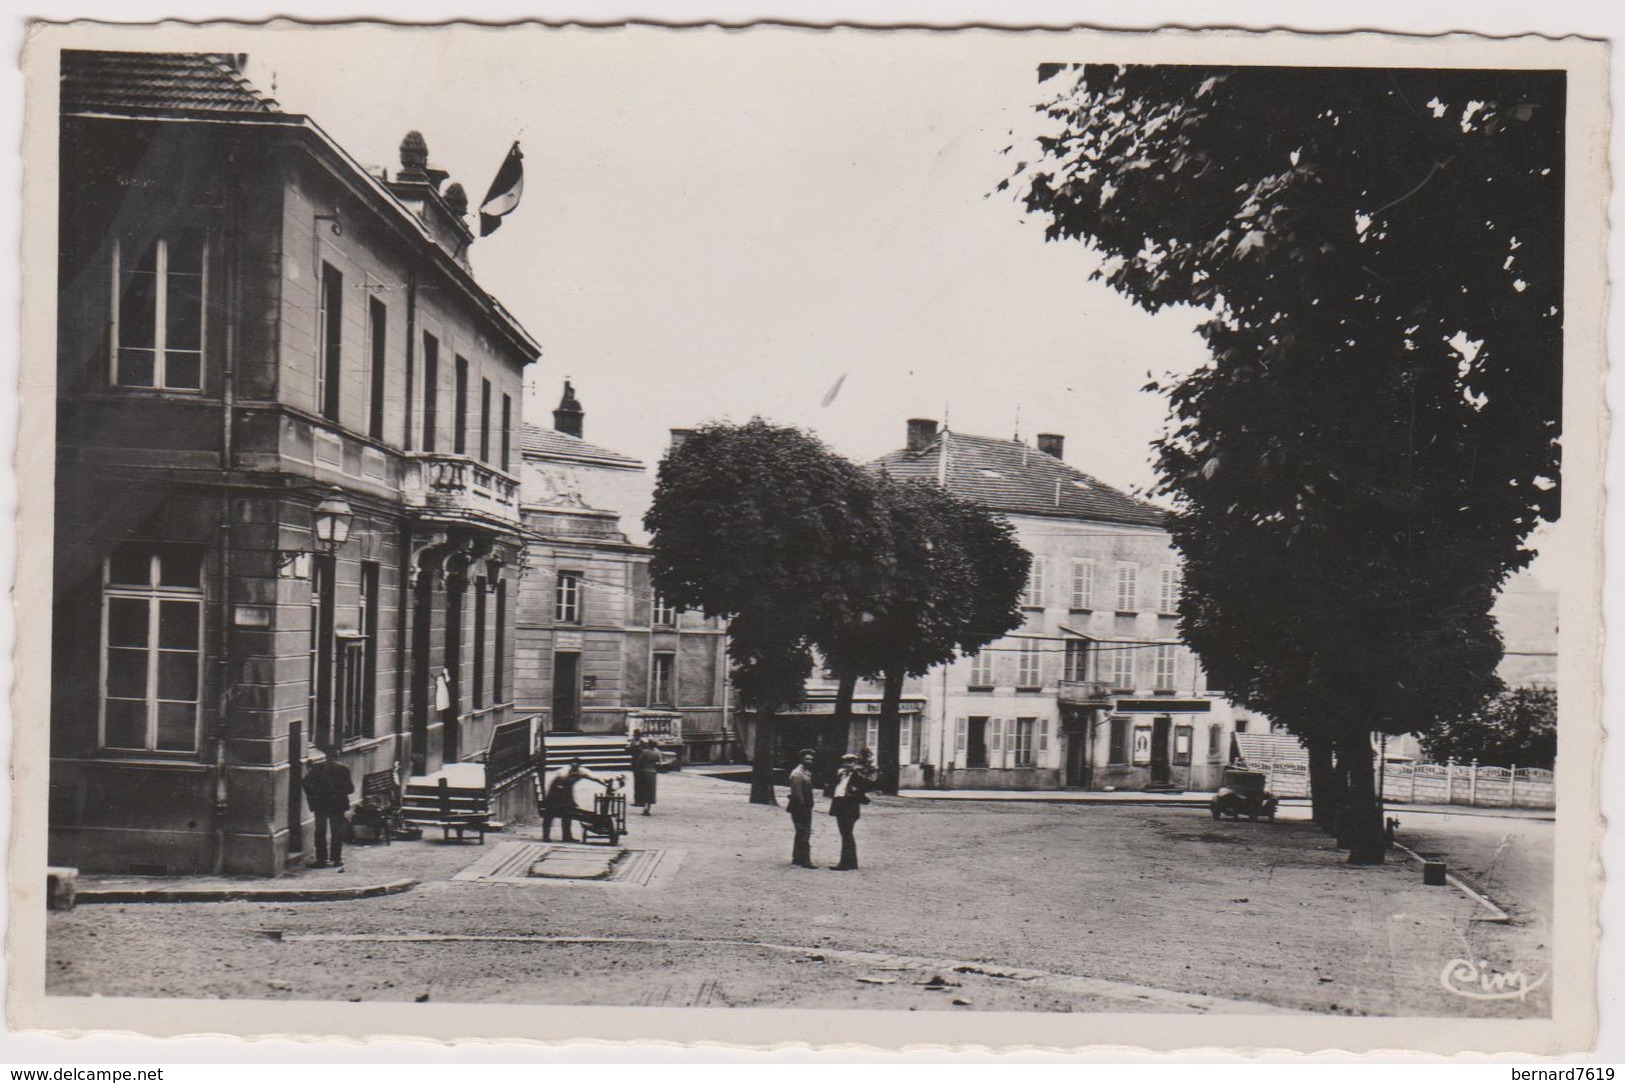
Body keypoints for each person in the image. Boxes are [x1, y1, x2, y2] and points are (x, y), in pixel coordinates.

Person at [301, 746, 354, 870]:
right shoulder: (343, 769)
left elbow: (306, 783)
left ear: (326, 756)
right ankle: (337, 860)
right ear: (337, 755)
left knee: (320, 832)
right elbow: (350, 789)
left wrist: (313, 795)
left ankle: (321, 860)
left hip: (321, 804)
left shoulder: (317, 768)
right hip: (337, 805)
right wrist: (338, 793)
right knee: (337, 832)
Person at [540, 759, 611, 842]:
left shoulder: (582, 771)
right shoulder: (563, 772)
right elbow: (556, 785)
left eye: (576, 767)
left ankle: (566, 836)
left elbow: (594, 778)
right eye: (573, 767)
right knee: (550, 814)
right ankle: (546, 836)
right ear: (570, 766)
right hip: (554, 791)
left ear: (579, 767)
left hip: (566, 791)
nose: (574, 770)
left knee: (568, 813)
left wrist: (605, 782)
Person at [827, 752, 870, 871]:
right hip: (840, 807)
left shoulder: (857, 777)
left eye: (850, 762)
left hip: (849, 809)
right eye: (846, 762)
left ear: (855, 763)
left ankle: (845, 863)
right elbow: (834, 789)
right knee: (846, 835)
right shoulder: (841, 775)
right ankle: (851, 862)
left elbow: (863, 791)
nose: (847, 764)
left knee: (847, 835)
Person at [787, 747, 817, 868]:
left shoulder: (806, 772)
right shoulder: (797, 774)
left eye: (811, 759)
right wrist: (803, 807)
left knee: (801, 832)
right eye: (807, 759)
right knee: (804, 832)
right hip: (800, 807)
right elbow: (797, 794)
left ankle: (797, 857)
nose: (809, 761)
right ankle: (805, 860)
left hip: (805, 806)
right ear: (802, 759)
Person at [632, 739, 662, 816]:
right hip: (652, 772)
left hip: (644, 772)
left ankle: (644, 807)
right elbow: (660, 764)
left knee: (644, 789)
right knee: (651, 790)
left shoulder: (644, 752)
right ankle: (648, 808)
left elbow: (639, 762)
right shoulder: (657, 752)